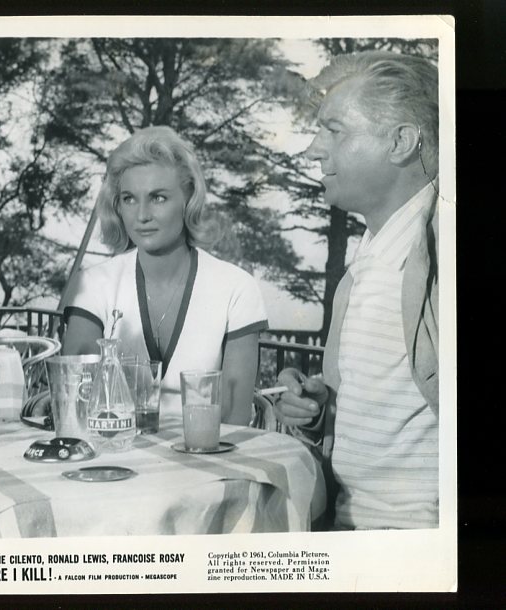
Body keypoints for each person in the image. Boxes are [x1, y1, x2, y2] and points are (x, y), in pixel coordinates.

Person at [273, 51, 439, 530]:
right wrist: (320, 410)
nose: (313, 150)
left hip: (415, 541)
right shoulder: (372, 254)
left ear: (401, 142)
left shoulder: (442, 255)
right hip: (349, 525)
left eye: (335, 130)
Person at [62, 126, 268, 425]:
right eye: (129, 199)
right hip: (114, 446)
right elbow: (77, 404)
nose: (142, 215)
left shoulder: (236, 288)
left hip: (205, 450)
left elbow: (234, 419)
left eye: (158, 198)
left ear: (189, 198)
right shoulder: (94, 284)